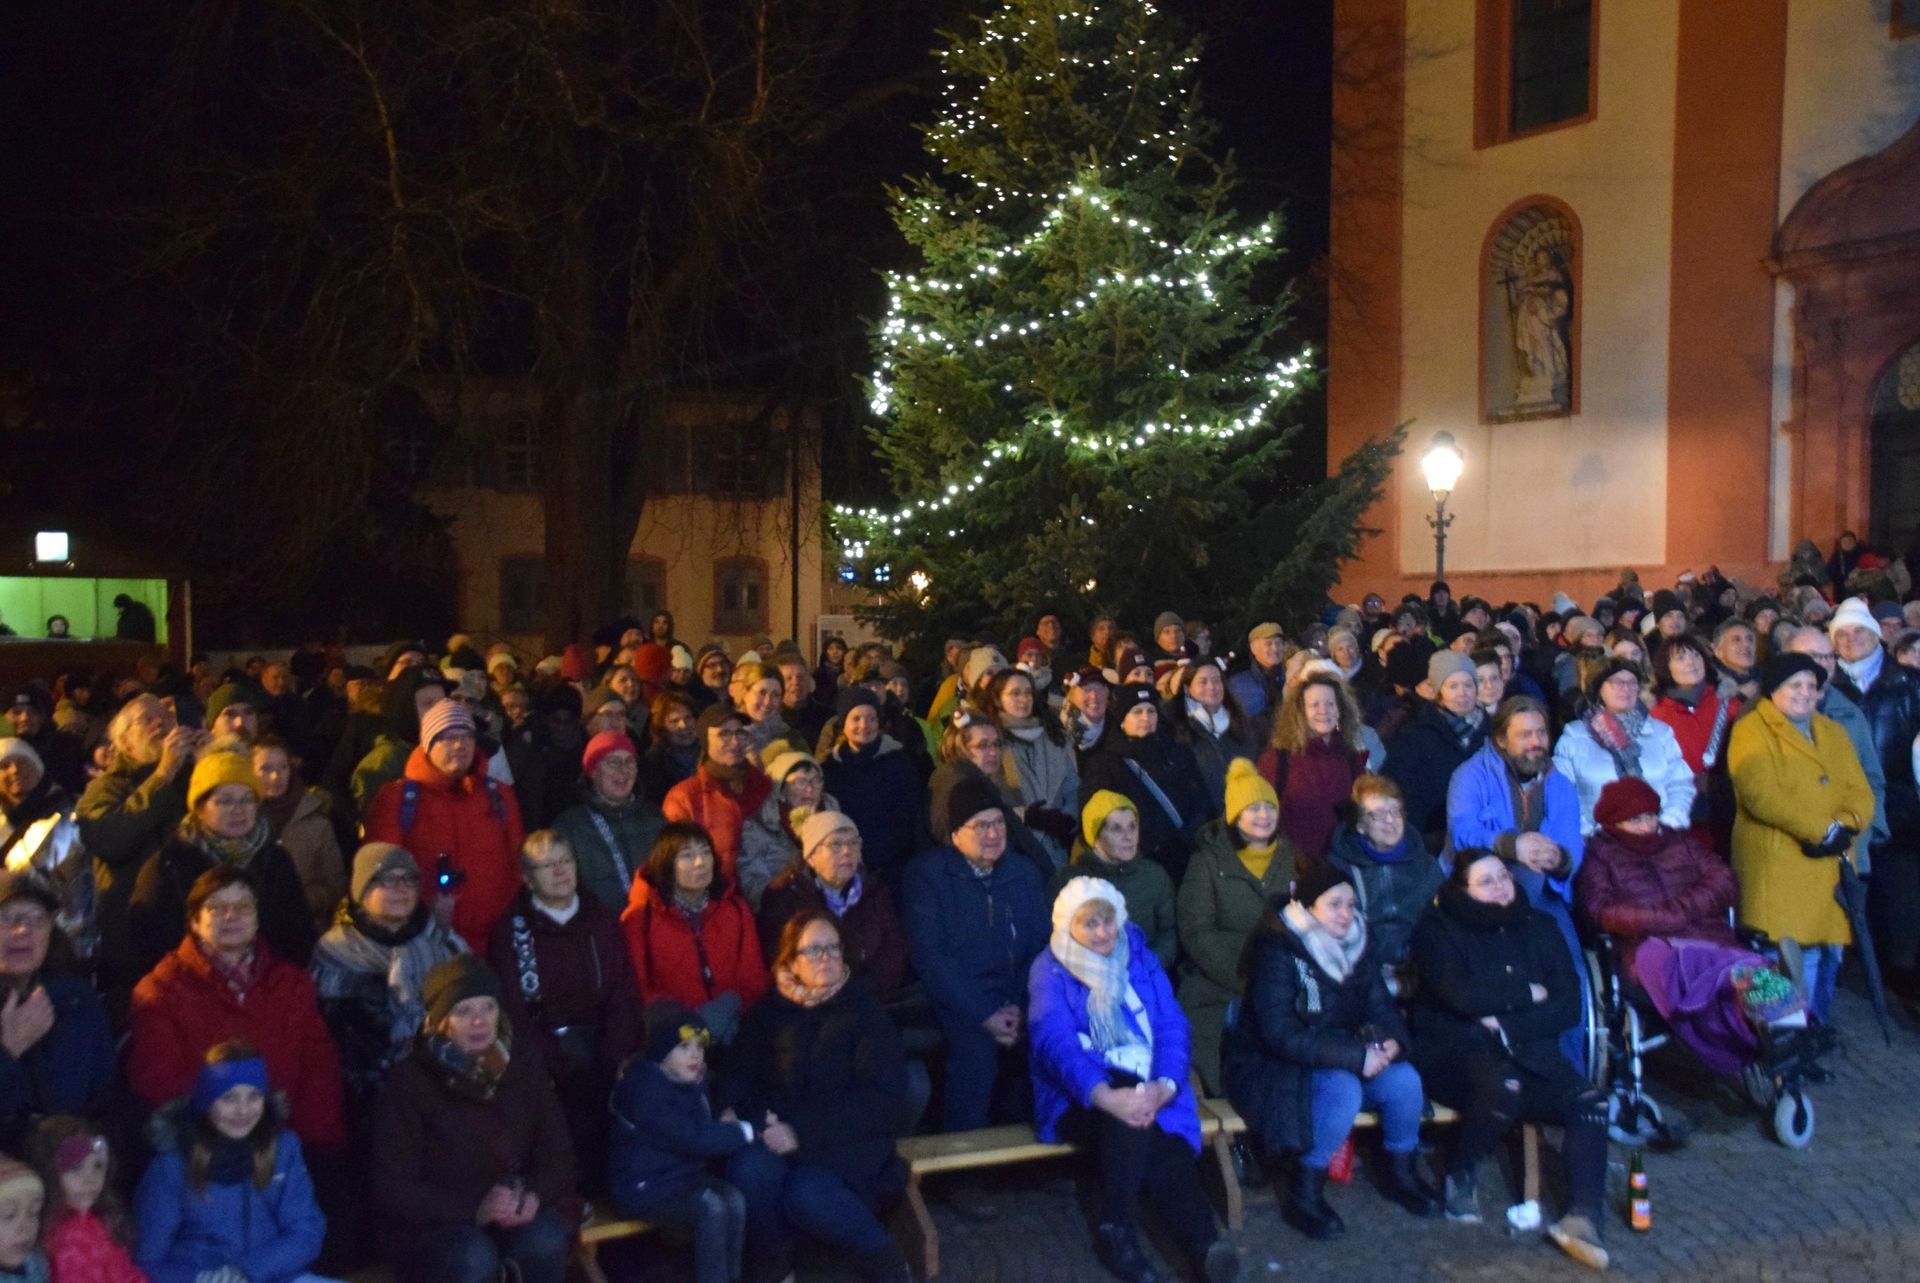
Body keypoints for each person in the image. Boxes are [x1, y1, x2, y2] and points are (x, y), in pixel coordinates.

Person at [1028, 877, 1237, 1283]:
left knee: (1160, 1141)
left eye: (1108, 920)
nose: (1103, 932)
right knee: (1137, 1115)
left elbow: (1171, 1023)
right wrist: (1105, 1094)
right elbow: (1054, 1043)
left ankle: (1198, 1249)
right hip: (1079, 1097)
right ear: (1068, 925)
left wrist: (1165, 1085)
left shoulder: (1138, 956)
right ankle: (1147, 1233)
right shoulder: (1049, 969)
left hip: (1149, 1088)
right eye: (1090, 924)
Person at [1409, 853, 1610, 1270]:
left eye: (1504, 876)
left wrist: (1503, 1024)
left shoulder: (1539, 925)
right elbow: (1460, 995)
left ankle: (1584, 1217)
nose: (1501, 886)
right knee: (1502, 1087)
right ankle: (1461, 1170)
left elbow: (1569, 1003)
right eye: (1486, 881)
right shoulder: (1438, 929)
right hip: (1458, 1053)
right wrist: (1527, 991)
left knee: (1589, 1102)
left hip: (1530, 1052)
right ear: (1462, 890)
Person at [1223, 863, 1437, 1241]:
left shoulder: (1357, 942)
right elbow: (1279, 1033)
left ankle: (1401, 1172)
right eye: (1334, 904)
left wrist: (1393, 1040)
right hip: (1272, 1066)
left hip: (1337, 1054)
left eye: (1351, 904)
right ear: (1307, 908)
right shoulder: (1279, 949)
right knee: (1342, 1089)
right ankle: (1304, 1189)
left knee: (1403, 1081)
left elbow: (1380, 1005)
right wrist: (1356, 1057)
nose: (1345, 914)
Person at [719, 911, 913, 1283]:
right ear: (791, 961)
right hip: (775, 1131)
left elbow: (883, 1097)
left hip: (847, 1139)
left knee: (805, 1191)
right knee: (751, 1171)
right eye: (813, 950)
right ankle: (777, 1261)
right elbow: (738, 1074)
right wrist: (751, 1118)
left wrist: (800, 1131)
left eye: (833, 948)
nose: (826, 958)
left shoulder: (864, 1012)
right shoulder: (767, 1013)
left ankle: (884, 1257)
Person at [369, 956, 579, 1283]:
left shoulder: (523, 1065)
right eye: (464, 1011)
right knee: (473, 1257)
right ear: (441, 1021)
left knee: (546, 1239)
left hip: (512, 1208)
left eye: (488, 1008)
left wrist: (533, 1195)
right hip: (440, 1224)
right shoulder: (409, 1081)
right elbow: (392, 1187)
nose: (479, 1021)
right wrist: (475, 1209)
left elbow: (559, 1153)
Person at [1576, 777, 1797, 1073]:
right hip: (1646, 946)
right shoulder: (1599, 857)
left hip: (1705, 934)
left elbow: (1724, 880)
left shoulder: (1679, 843)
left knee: (1741, 965)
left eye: (1651, 815)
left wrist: (1681, 909)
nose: (1647, 826)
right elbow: (1601, 911)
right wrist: (1663, 918)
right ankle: (1779, 1013)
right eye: (1635, 820)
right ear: (1614, 823)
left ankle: (1789, 1031)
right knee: (1712, 966)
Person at [128, 867, 345, 1152]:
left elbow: (318, 1071)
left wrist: (313, 1148)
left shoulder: (290, 983)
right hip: (202, 1153)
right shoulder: (161, 990)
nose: (231, 916)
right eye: (216, 908)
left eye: (243, 907)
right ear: (195, 921)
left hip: (283, 1147)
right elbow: (161, 1082)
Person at [486, 830, 637, 1195]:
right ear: (526, 876)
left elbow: (623, 992)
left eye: (566, 861)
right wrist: (547, 1063)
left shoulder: (600, 919)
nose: (560, 872)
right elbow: (513, 1010)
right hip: (545, 1060)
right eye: (547, 865)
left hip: (602, 1051)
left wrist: (617, 1053)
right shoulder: (511, 931)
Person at [1727, 654, 1876, 1023]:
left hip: (1830, 865)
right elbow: (1761, 794)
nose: (1805, 693)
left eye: (1811, 686)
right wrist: (1821, 829)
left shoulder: (1832, 731)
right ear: (1775, 690)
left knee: (1828, 954)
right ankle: (1784, 1044)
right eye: (1796, 685)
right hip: (1781, 866)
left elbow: (1861, 790)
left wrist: (1846, 824)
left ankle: (1815, 1030)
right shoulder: (1751, 729)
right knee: (1784, 961)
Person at [903, 776, 1048, 1133]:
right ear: (955, 835)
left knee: (1051, 1044)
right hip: (960, 1002)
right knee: (975, 1060)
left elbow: (1039, 945)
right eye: (980, 826)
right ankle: (966, 1172)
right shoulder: (928, 876)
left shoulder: (1023, 873)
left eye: (998, 822)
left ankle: (1046, 1158)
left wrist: (1021, 1006)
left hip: (1016, 996)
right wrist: (984, 1013)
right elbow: (931, 958)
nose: (993, 833)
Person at [133, 1042, 330, 1283]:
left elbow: (305, 1230)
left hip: (276, 1275)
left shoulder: (282, 1148)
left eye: (254, 1096)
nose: (243, 1110)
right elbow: (147, 1261)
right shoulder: (171, 1167)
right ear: (206, 1102)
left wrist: (248, 1271)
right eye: (229, 1098)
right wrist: (201, 1278)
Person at [129, 751, 317, 979]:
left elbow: (299, 935)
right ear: (200, 807)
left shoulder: (274, 859)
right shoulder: (169, 864)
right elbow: (146, 944)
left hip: (265, 989)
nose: (238, 809)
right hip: (190, 990)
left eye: (247, 799)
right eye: (225, 800)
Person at [309, 843, 467, 1109]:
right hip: (369, 1094)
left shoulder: (437, 939)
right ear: (362, 890)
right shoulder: (337, 951)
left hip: (443, 1084)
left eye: (408, 879)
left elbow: (470, 996)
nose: (402, 888)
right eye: (387, 880)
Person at [608, 1002, 755, 1283]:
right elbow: (692, 1136)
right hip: (645, 1187)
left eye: (699, 1047)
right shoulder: (644, 1089)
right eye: (684, 1048)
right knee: (711, 1208)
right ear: (662, 1052)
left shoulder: (691, 1082)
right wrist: (744, 1132)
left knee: (734, 1200)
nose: (695, 1055)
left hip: (684, 1180)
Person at [364, 700, 526, 952]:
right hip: (424, 942)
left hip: (496, 943)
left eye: (467, 736)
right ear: (428, 745)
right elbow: (383, 874)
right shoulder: (397, 799)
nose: (460, 745)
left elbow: (518, 862)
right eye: (448, 738)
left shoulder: (499, 794)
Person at [1177, 758, 1298, 1094]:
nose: (1263, 815)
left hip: (1279, 979)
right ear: (1235, 815)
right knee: (1214, 1056)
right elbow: (1196, 930)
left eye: (1269, 807)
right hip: (1218, 981)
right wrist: (1243, 976)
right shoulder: (1208, 861)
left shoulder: (1292, 859)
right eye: (1253, 808)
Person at [78, 695, 208, 997]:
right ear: (124, 741)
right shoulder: (105, 788)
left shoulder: (190, 779)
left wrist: (210, 764)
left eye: (165, 717)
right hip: (130, 943)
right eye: (146, 719)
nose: (159, 723)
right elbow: (111, 841)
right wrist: (163, 775)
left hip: (190, 934)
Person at [1826, 596, 1920, 995]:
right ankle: (1864, 970)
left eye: (1858, 632)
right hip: (1847, 806)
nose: (1850, 640)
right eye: (1842, 634)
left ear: (1877, 635)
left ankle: (1903, 971)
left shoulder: (1907, 681)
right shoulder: (1827, 685)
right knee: (1857, 889)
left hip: (1901, 804)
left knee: (1901, 895)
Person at [620, 823, 767, 1044]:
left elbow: (753, 977)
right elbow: (637, 989)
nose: (700, 863)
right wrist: (688, 1024)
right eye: (687, 855)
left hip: (733, 1027)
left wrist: (728, 1008)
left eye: (706, 852)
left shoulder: (735, 909)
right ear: (667, 864)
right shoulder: (640, 918)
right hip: (670, 1038)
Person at [0, 871, 114, 1154]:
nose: (23, 930)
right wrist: (9, 1049)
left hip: (67, 1167)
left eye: (37, 919)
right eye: (8, 917)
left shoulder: (77, 999)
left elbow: (103, 1097)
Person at [757, 811, 909, 1002]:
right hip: (809, 1003)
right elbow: (780, 958)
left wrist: (864, 986)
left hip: (871, 997)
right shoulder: (784, 896)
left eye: (853, 843)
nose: (847, 851)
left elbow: (894, 947)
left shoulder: (874, 890)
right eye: (836, 844)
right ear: (811, 856)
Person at [1078, 684, 1209, 883]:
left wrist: (1186, 838)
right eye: (1137, 712)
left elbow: (1201, 800)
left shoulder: (1177, 752)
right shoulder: (1105, 764)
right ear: (1122, 720)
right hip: (1138, 867)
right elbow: (1097, 817)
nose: (1146, 718)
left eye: (1151, 711)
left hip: (1188, 860)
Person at [1551, 657, 1694, 835]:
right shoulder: (1575, 736)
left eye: (1632, 683)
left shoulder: (1660, 733)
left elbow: (1680, 784)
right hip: (1597, 846)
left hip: (1656, 840)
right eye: (1616, 682)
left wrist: (1666, 825)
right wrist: (1593, 836)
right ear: (1599, 688)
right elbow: (1561, 794)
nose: (1625, 688)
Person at [1325, 774, 1443, 977]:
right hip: (1363, 971)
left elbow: (1441, 921)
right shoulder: (1339, 868)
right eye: (1378, 814)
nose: (1390, 820)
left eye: (1395, 812)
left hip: (1421, 967)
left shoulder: (1427, 866)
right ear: (1361, 825)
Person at [662, 705, 786, 894]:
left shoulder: (765, 786)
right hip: (719, 900)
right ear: (705, 740)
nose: (735, 741)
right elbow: (677, 862)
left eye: (739, 732)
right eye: (724, 734)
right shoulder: (685, 797)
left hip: (773, 895)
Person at [1050, 792, 1177, 970]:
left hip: (1145, 977)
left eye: (1133, 826)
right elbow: (1058, 943)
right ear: (1095, 837)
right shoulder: (1070, 883)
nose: (1128, 836)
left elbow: (1169, 931)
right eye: (1117, 829)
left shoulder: (1153, 875)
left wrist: (1146, 965)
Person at [1257, 673, 1368, 868]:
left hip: (1345, 870)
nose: (1323, 711)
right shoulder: (1277, 760)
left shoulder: (1350, 759)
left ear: (1340, 710)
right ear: (1300, 712)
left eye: (1330, 704)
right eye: (1314, 705)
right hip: (1297, 871)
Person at [1381, 652, 1488, 852]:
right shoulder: (1415, 735)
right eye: (1453, 686)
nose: (1462, 693)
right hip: (1433, 843)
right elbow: (1399, 791)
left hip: (1485, 839)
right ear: (1439, 691)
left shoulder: (1492, 733)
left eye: (1468, 684)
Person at [547, 730, 665, 911]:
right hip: (599, 931)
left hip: (652, 925)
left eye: (629, 762)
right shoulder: (570, 826)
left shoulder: (655, 818)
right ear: (593, 772)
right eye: (613, 762)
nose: (623, 769)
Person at [820, 690, 925, 887]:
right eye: (856, 718)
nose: (864, 725)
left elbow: (909, 815)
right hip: (845, 868)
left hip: (892, 868)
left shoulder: (899, 761)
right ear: (844, 724)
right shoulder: (830, 768)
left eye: (871, 718)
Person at [0, 739, 92, 962]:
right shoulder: (3, 823)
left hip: (57, 950)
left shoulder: (66, 817)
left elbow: (76, 899)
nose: (14, 771)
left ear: (38, 767)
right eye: (4, 766)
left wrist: (71, 953)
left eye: (22, 761)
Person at [27, 1116, 143, 1283]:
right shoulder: (51, 1242)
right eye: (75, 1169)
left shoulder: (103, 1221)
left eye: (97, 1166)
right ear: (49, 1174)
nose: (90, 1180)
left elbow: (127, 1274)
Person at [985, 669, 1080, 869]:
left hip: (1057, 850)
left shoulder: (1054, 737)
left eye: (1028, 692)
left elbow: (1072, 786)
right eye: (1015, 693)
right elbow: (986, 796)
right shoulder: (991, 742)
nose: (1024, 699)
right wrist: (1025, 816)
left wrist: (1067, 819)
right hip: (1013, 849)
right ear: (997, 699)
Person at [251, 737, 346, 934]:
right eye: (266, 769)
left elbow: (335, 884)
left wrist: (302, 899)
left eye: (283, 767)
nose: (277, 776)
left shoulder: (315, 820)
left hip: (304, 928)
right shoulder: (242, 820)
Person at [1166, 660, 1257, 823]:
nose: (1212, 687)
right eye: (1203, 682)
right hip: (1206, 825)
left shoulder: (1239, 724)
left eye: (1217, 680)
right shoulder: (1178, 730)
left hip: (1246, 818)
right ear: (1188, 689)